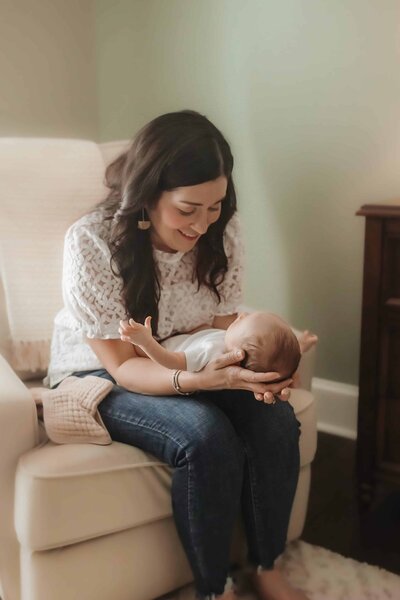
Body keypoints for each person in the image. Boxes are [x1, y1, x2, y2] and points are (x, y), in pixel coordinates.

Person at [45, 109, 310, 600]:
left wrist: (259, 369)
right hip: (101, 374)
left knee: (274, 421)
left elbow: (222, 324)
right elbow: (122, 364)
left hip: (186, 354)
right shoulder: (92, 241)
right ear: (148, 193)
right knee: (203, 434)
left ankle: (266, 565)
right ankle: (214, 589)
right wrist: (196, 384)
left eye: (215, 206)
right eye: (188, 209)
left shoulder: (222, 230)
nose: (202, 224)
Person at [118, 311, 318, 402]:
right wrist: (297, 348)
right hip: (182, 346)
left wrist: (146, 342)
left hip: (164, 355)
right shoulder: (232, 344)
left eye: (242, 321)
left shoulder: (210, 351)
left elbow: (170, 361)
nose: (240, 316)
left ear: (238, 356)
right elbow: (276, 359)